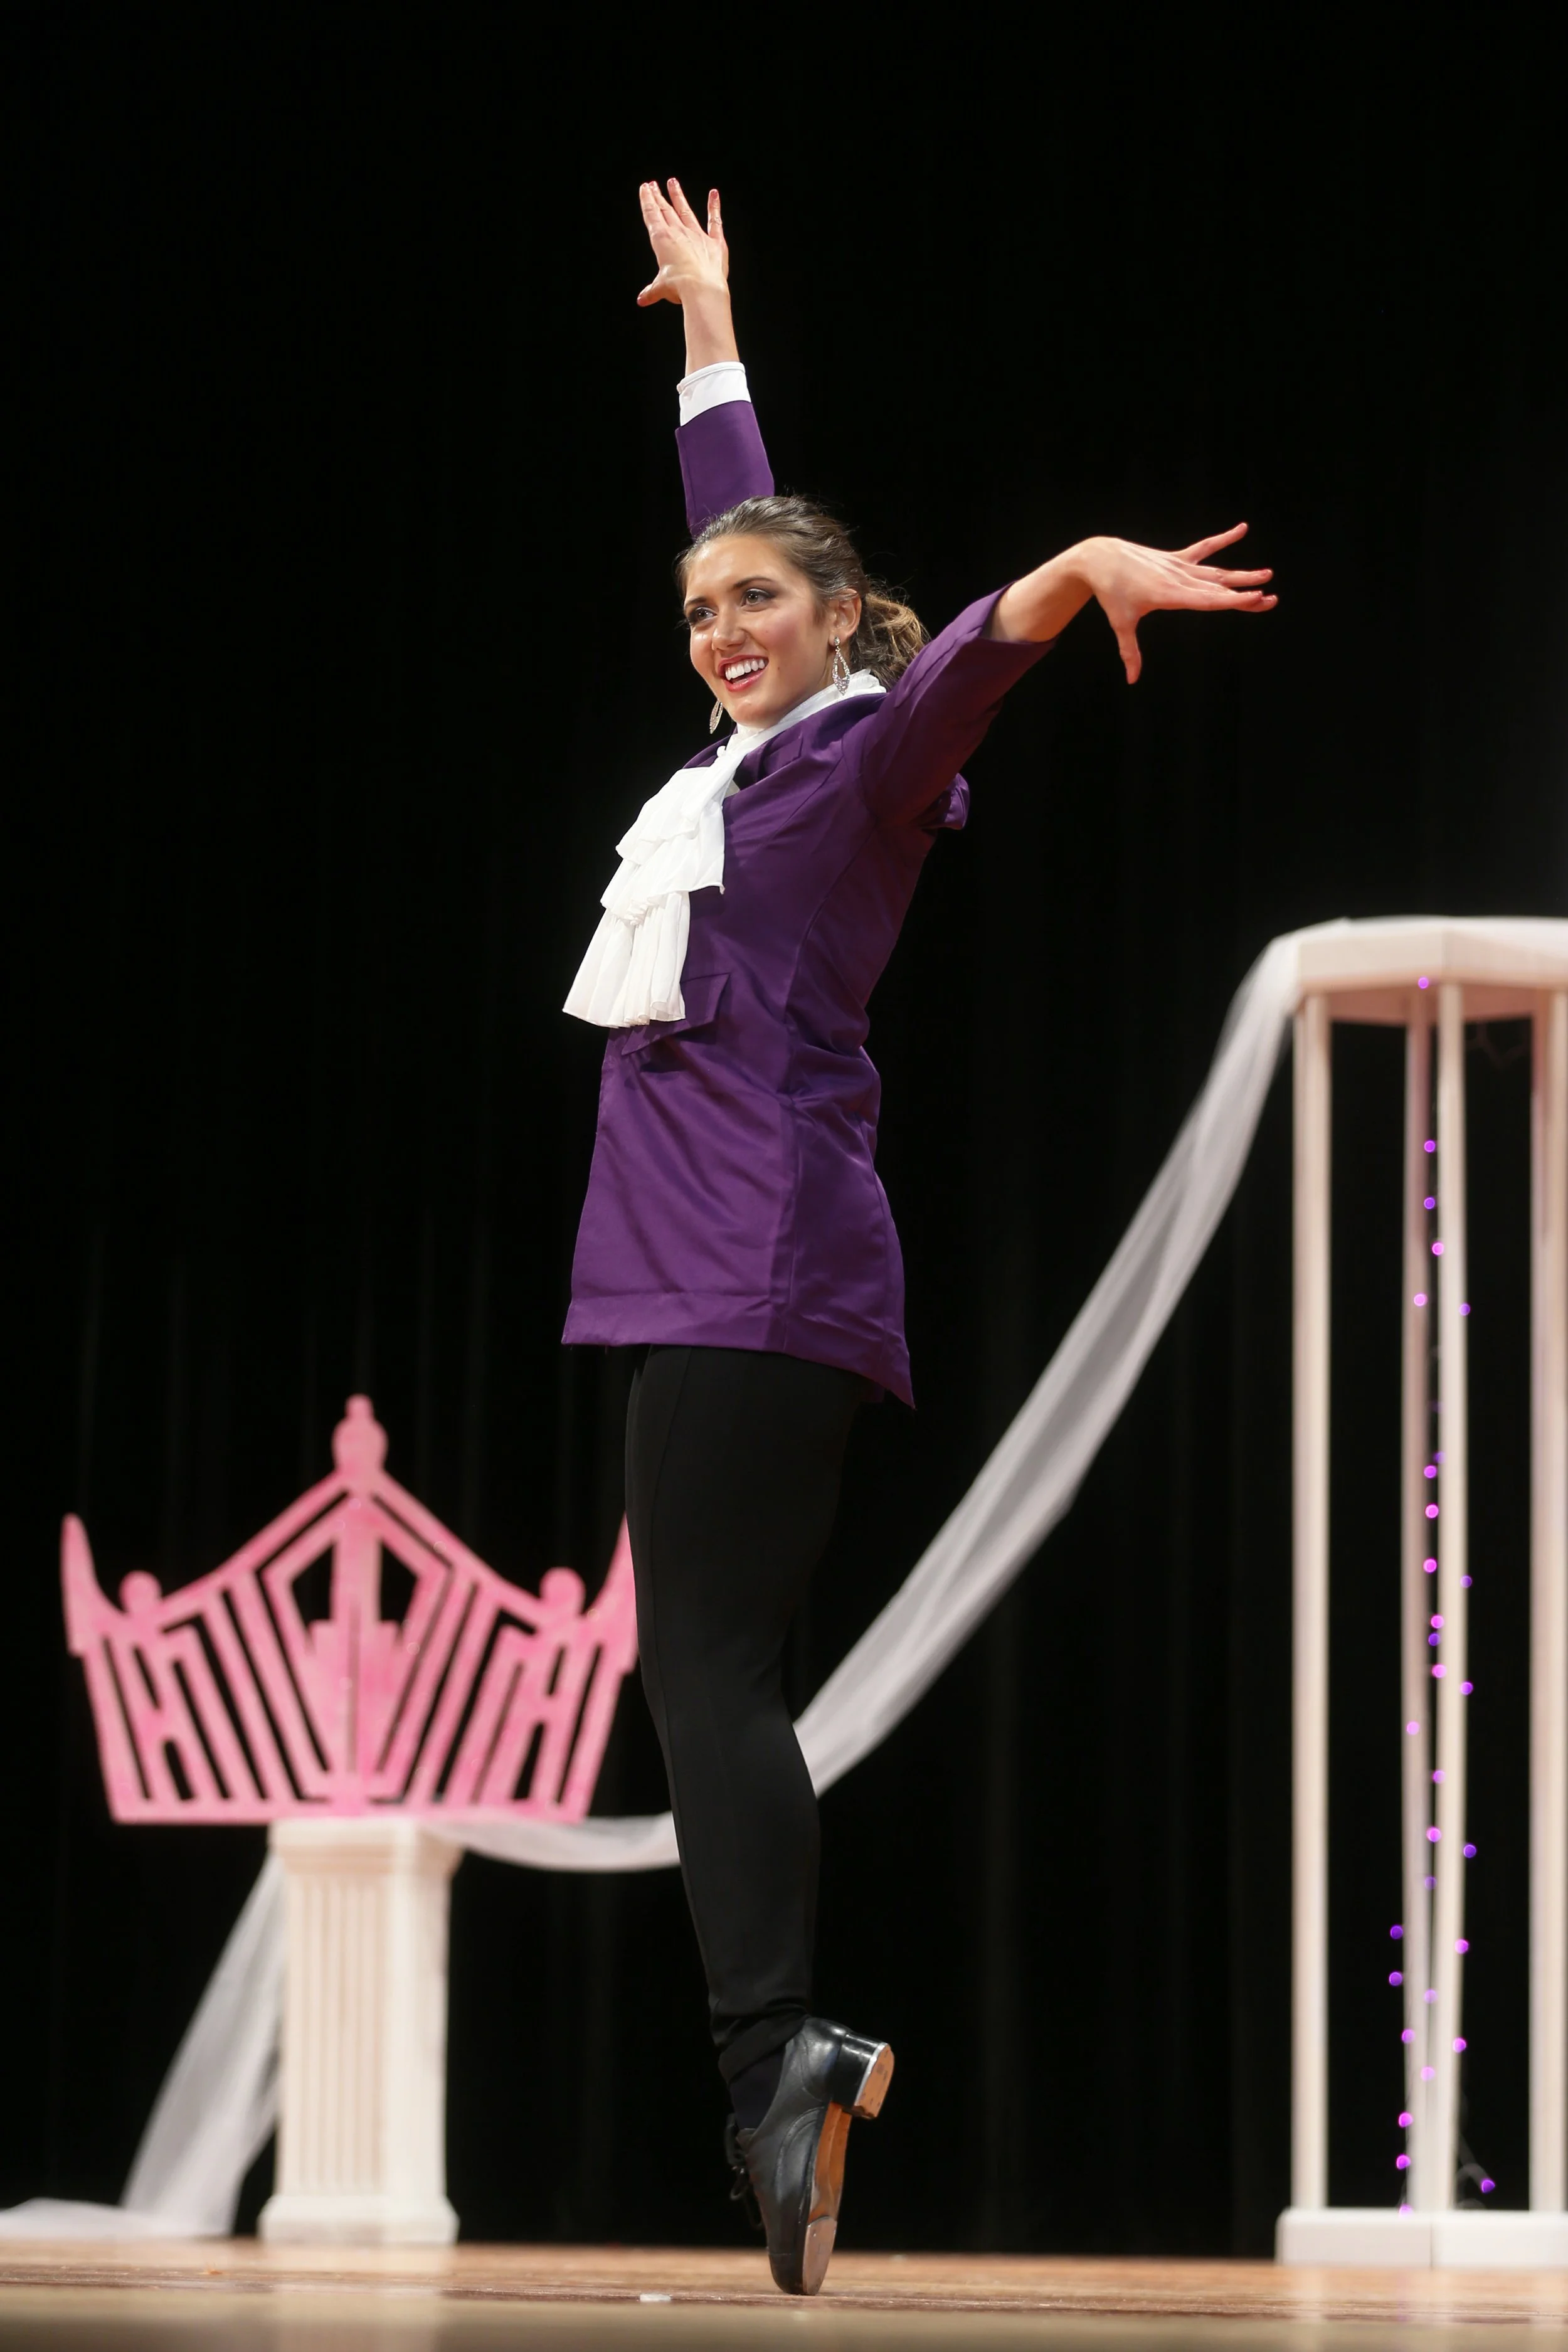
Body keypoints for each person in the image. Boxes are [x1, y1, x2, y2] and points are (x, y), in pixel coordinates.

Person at [562, 178, 1276, 2296]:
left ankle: (777, 2051)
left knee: (697, 1666)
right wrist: (709, 335)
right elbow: (745, 512)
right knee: (717, 1672)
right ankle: (776, 2057)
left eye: (758, 607)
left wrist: (1069, 567)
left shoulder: (859, 760)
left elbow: (958, 653)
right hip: (734, 1257)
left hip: (753, 1256)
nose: (720, 631)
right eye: (700, 613)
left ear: (834, 619)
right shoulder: (751, 758)